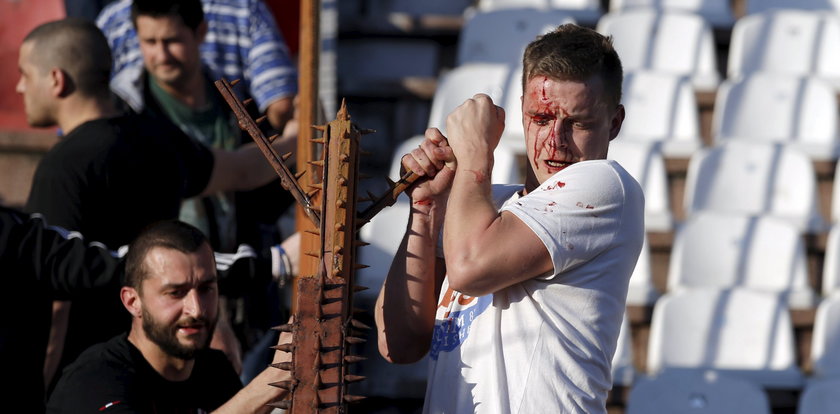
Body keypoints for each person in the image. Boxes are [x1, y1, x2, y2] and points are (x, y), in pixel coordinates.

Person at [374, 24, 645, 413]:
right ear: (521, 110)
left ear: (615, 123)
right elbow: (398, 343)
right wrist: (427, 208)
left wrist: (475, 154)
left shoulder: (606, 186)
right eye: (541, 118)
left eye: (578, 123)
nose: (555, 142)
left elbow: (469, 268)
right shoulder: (482, 207)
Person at [15, 17, 295, 393]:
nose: (19, 86)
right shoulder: (155, 137)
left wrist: (42, 388)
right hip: (164, 358)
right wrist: (297, 138)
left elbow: (56, 300)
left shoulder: (63, 167)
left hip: (88, 373)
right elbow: (241, 172)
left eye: (25, 75)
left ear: (56, 79)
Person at [0, 205, 297, 412]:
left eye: (206, 289)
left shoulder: (213, 371)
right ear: (132, 301)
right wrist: (269, 383)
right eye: (175, 293)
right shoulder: (94, 382)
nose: (195, 308)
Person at [96, 0, 297, 133]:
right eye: (150, 42)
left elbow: (282, 105)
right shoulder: (245, 7)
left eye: (173, 41)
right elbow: (281, 106)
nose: (162, 55)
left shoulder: (112, 18)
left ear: (201, 33)